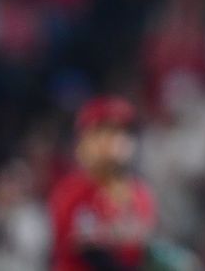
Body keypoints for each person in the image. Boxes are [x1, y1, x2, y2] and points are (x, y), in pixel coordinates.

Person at [48, 96, 156, 271]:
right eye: (103, 132)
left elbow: (138, 252)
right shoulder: (71, 192)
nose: (114, 142)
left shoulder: (142, 195)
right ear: (83, 142)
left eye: (122, 132)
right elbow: (90, 253)